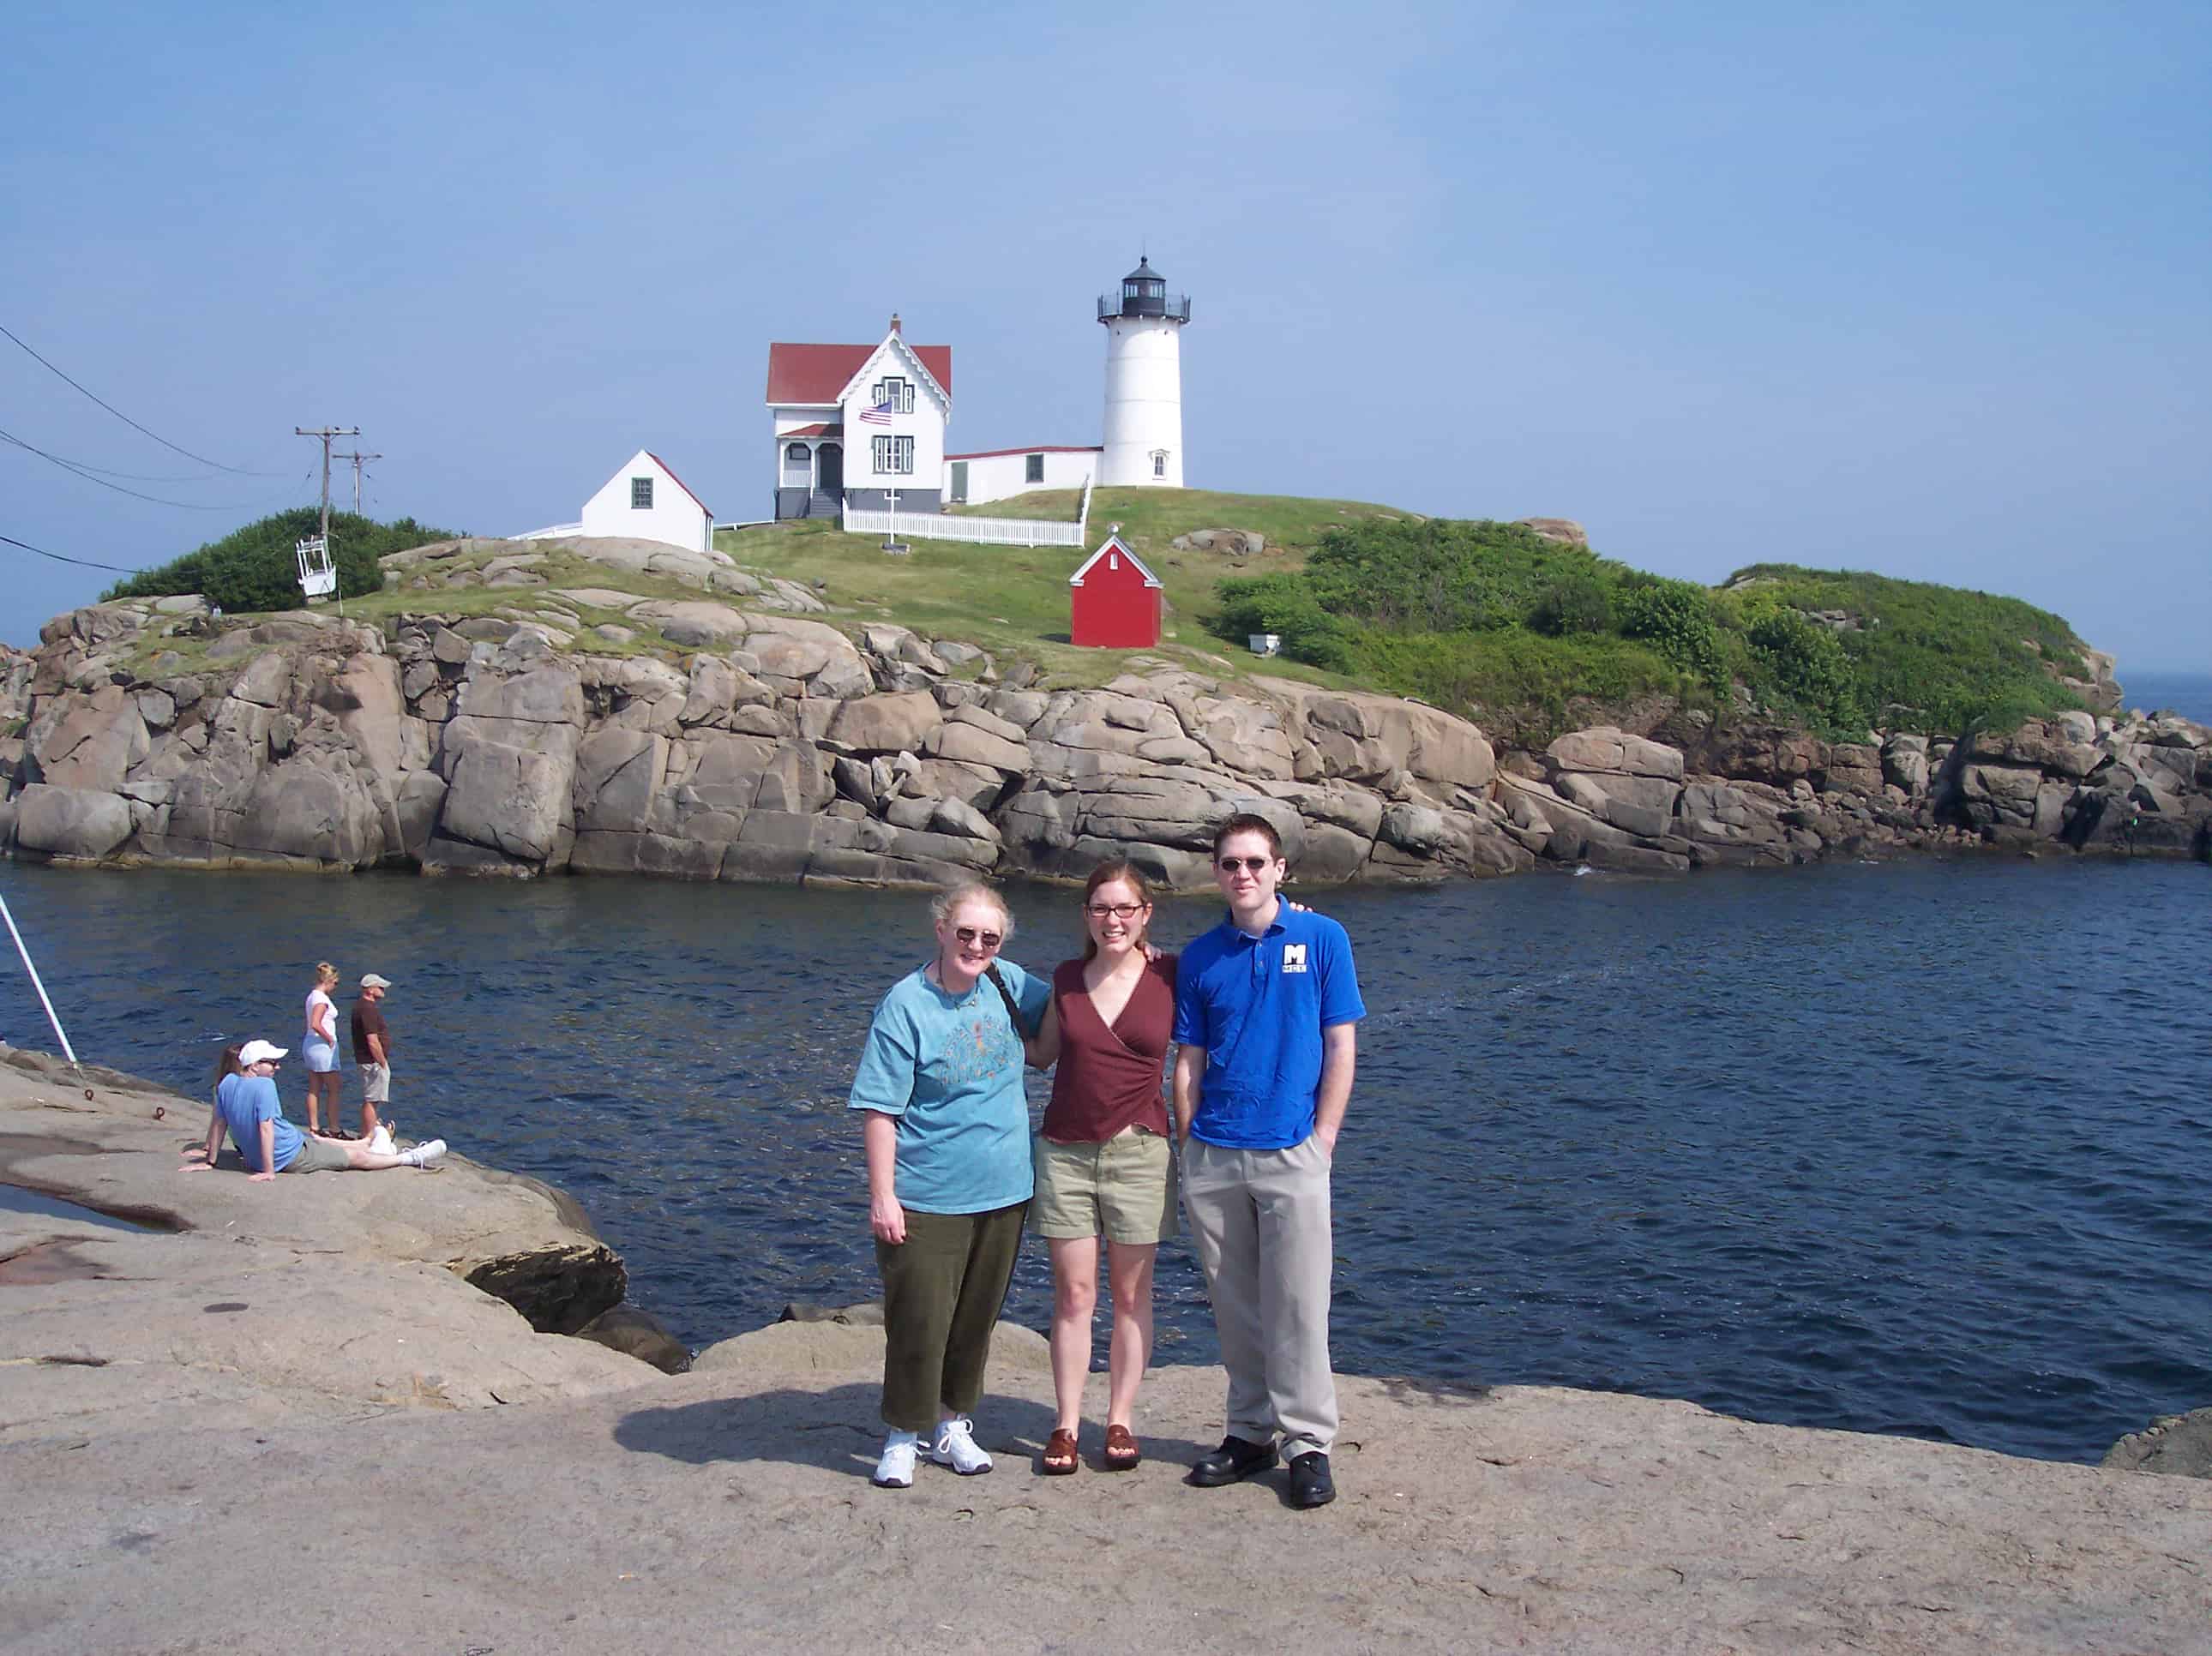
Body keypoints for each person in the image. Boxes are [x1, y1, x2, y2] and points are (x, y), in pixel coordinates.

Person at [1174, 812, 1365, 1509]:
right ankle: (1250, 1433)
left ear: (1280, 869)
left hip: (1293, 1151)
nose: (1243, 874)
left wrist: (1325, 1137)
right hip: (1216, 1153)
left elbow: (1341, 1045)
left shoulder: (1322, 939)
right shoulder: (1200, 957)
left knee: (1299, 1304)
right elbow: (1187, 1061)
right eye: (1230, 864)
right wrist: (1190, 1142)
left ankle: (1307, 1443)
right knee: (1236, 1307)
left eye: (1256, 862)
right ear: (1217, 873)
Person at [848, 882, 1049, 1490]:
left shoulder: (1009, 984)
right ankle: (904, 1434)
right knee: (919, 1320)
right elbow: (879, 1110)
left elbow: (1083, 998)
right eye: (966, 933)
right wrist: (883, 1195)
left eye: (990, 937)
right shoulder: (906, 1004)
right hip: (927, 1192)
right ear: (941, 929)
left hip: (1006, 1189)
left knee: (974, 1319)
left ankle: (952, 1425)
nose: (977, 946)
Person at [1024, 858, 1179, 1474]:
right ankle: (1064, 1425)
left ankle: (1119, 1418)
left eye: (1124, 909)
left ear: (1145, 915)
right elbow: (1040, 1056)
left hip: (1140, 1152)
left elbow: (1243, 971)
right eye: (1100, 908)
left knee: (1130, 1292)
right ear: (1085, 915)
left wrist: (1294, 921)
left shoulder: (1173, 973)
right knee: (1074, 1295)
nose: (1111, 919)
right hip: (1064, 1151)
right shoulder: (1065, 978)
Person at [182, 1040, 445, 1178]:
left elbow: (219, 1123)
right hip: (289, 1155)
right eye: (272, 1063)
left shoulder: (226, 1083)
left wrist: (211, 1161)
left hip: (288, 1143)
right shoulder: (264, 1087)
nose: (277, 1067)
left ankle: (373, 1143)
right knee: (354, 1160)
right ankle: (408, 1158)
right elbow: (264, 1128)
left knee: (321, 1142)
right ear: (254, 1065)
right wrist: (269, 1171)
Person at [351, 972, 395, 1141]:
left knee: (372, 1098)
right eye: (379, 986)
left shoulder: (361, 1006)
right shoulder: (367, 1009)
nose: (383, 989)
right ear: (370, 989)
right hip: (372, 1061)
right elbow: (372, 1040)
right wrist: (382, 1061)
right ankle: (368, 1136)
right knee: (372, 1099)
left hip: (368, 1060)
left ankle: (367, 1132)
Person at [302, 963, 343, 1136]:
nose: (335, 987)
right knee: (334, 1088)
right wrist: (330, 1039)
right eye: (336, 983)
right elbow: (316, 1024)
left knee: (314, 1087)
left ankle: (314, 1126)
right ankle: (334, 1127)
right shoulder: (321, 999)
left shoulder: (312, 996)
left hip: (310, 1044)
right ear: (330, 980)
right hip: (321, 1046)